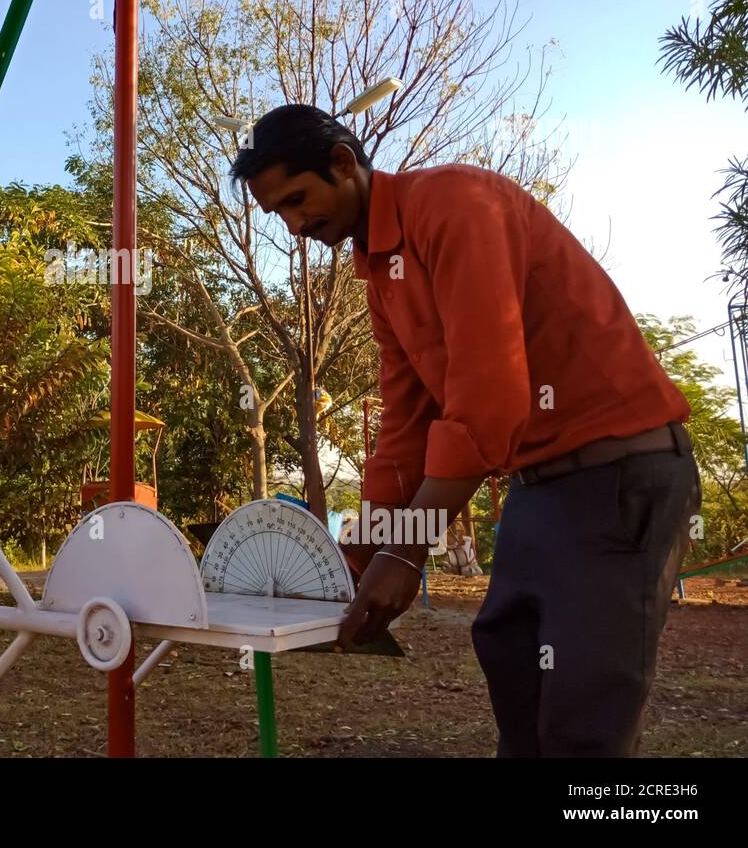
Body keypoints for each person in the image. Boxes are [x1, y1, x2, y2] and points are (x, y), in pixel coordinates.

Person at [229, 103, 699, 757]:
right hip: (538, 485)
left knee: (582, 723)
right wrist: (355, 557)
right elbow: (405, 431)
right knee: (515, 683)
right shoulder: (380, 272)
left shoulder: (456, 205)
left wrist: (406, 551)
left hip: (621, 474)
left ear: (343, 162)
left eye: (297, 199)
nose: (294, 225)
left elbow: (490, 399)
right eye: (277, 212)